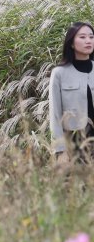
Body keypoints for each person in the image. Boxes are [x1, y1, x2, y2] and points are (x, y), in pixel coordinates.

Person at [49, 22, 94, 162]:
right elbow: (55, 114)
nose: (88, 41)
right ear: (72, 43)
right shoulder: (59, 73)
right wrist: (60, 150)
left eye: (91, 37)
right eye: (82, 37)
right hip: (74, 142)